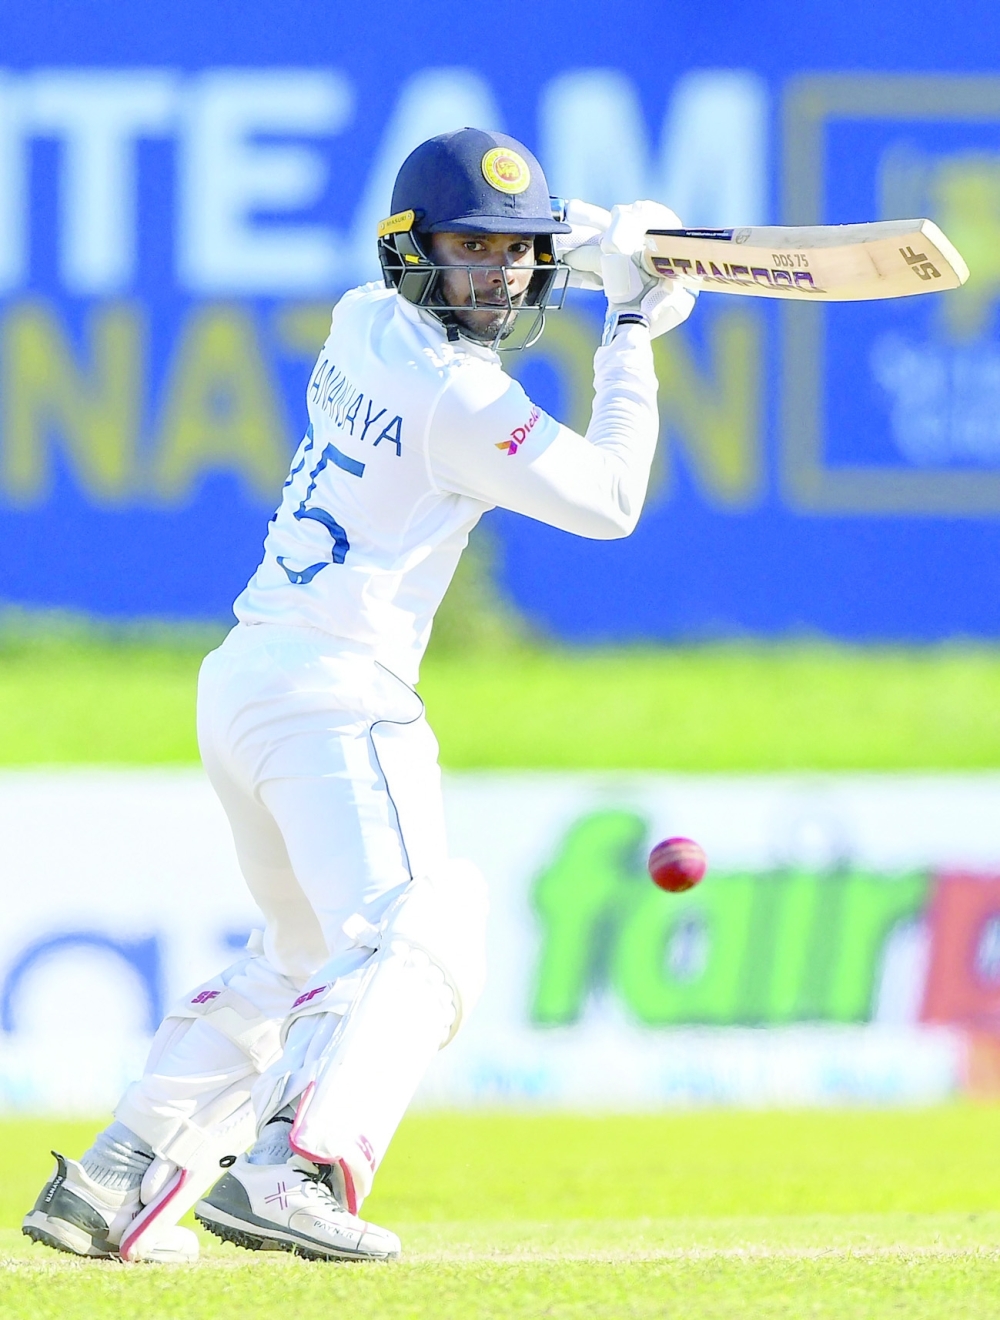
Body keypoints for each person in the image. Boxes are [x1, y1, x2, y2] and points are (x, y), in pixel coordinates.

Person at [22, 128, 695, 1264]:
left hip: (245, 682)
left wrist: (593, 239)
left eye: (513, 256)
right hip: (338, 697)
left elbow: (502, 249)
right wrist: (629, 328)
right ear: (411, 252)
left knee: (294, 962)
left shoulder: (358, 319)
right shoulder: (458, 402)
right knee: (427, 930)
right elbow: (610, 500)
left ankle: (115, 1177)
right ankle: (300, 1168)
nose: (494, 277)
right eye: (468, 252)